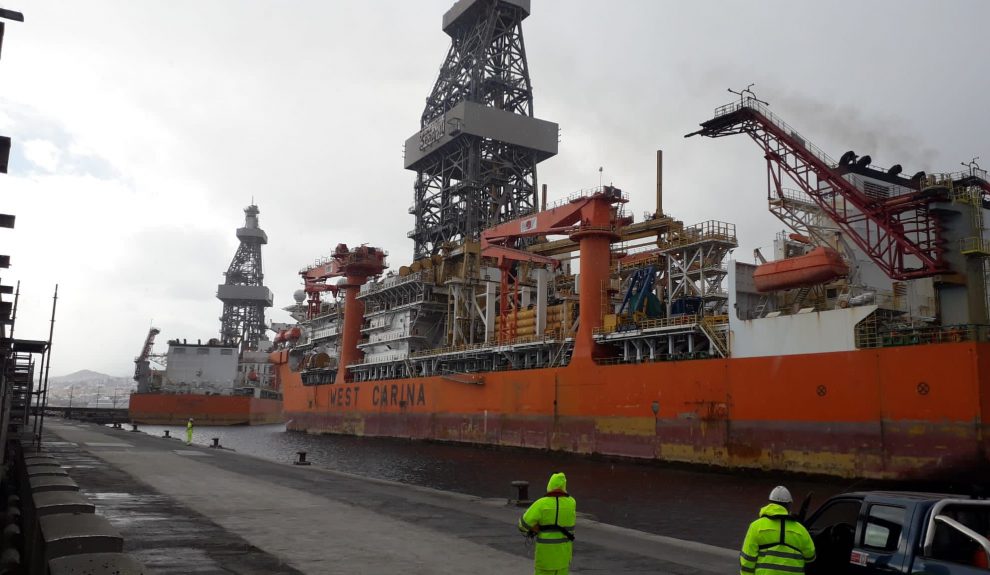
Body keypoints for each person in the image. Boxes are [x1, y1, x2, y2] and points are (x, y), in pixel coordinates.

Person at [739, 486, 816, 575]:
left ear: (770, 503)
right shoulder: (800, 530)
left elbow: (747, 561)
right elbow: (810, 557)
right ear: (789, 505)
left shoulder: (756, 527)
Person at [517, 472, 576, 575]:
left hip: (545, 557)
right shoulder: (571, 503)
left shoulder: (542, 503)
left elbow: (523, 524)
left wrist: (535, 528)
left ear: (550, 485)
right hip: (564, 557)